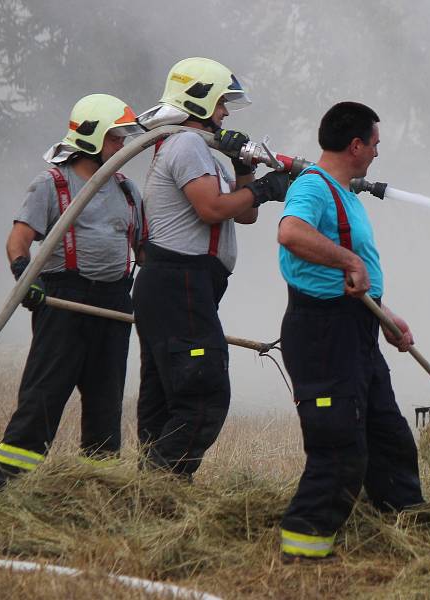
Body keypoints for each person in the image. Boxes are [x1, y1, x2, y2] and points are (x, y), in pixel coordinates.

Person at [277, 101, 424, 562]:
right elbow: (290, 232)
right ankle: (304, 551)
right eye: (375, 144)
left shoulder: (345, 195)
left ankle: (406, 532)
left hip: (356, 327)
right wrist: (349, 260)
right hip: (323, 333)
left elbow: (355, 281)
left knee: (388, 435)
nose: (377, 154)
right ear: (356, 145)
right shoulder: (314, 187)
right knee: (339, 446)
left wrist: (385, 317)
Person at [133, 57, 289, 478]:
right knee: (204, 394)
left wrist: (244, 171)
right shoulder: (185, 145)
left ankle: (148, 494)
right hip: (177, 284)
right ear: (199, 100)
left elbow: (243, 215)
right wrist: (266, 188)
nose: (224, 114)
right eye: (221, 104)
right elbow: (211, 208)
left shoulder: (198, 150)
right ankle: (161, 481)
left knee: (168, 397)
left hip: (182, 288)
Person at [0, 94, 145, 494]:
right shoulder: (52, 184)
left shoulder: (128, 191)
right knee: (42, 399)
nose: (122, 146)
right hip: (63, 301)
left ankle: (96, 493)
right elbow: (19, 239)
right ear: (90, 138)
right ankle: (5, 493)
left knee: (106, 408)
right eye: (114, 138)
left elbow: (144, 250)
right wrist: (25, 276)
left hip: (113, 305)